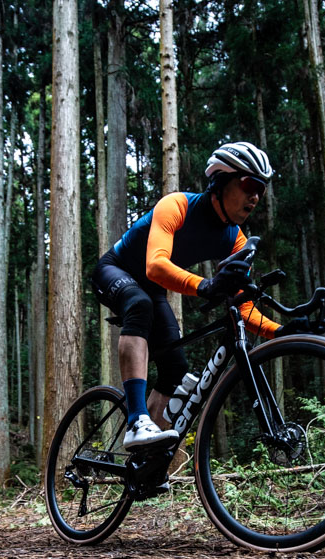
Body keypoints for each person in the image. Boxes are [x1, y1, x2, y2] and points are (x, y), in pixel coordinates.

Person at [92, 141, 289, 449]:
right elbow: (156, 266)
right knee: (139, 305)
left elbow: (245, 308)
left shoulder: (236, 240)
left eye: (261, 190)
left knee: (176, 371)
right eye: (250, 184)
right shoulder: (177, 205)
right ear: (222, 181)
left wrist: (282, 330)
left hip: (152, 290)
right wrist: (206, 285)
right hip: (115, 270)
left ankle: (145, 461)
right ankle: (135, 422)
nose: (256, 196)